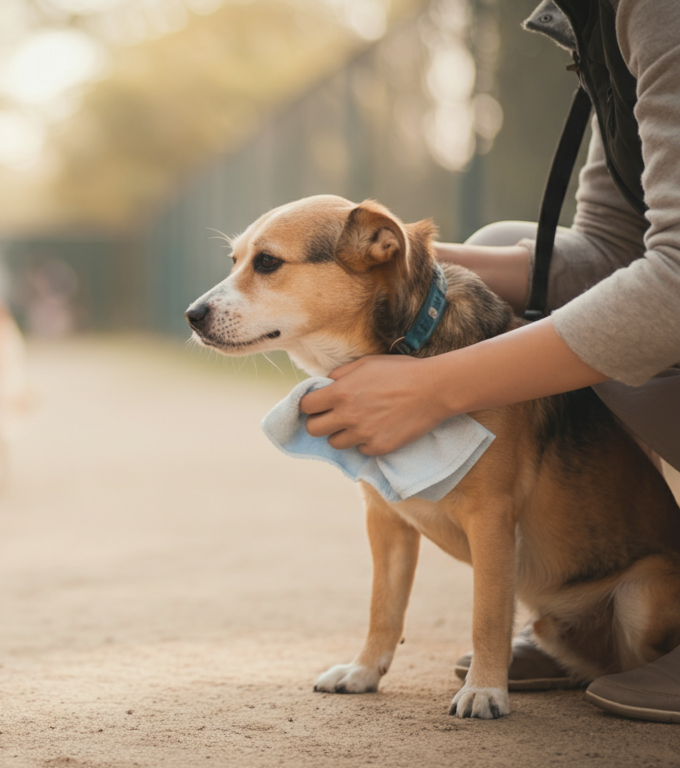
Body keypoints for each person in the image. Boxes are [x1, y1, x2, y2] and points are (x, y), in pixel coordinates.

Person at [299, 0, 680, 721]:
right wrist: (402, 264)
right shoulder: (604, 20)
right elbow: (606, 251)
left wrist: (436, 386)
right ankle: (574, 627)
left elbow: (674, 282)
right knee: (508, 246)